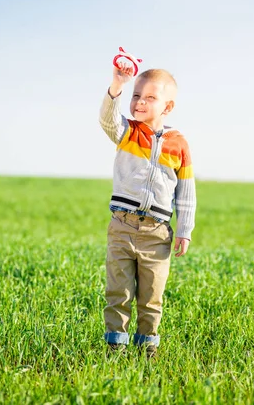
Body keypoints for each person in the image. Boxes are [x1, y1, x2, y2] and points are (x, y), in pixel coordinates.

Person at [99, 60, 196, 357]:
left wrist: (184, 230)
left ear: (167, 107)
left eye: (150, 98)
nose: (139, 102)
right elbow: (107, 121)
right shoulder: (128, 132)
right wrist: (117, 88)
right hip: (122, 227)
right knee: (119, 292)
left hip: (157, 233)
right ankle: (115, 347)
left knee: (151, 296)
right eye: (136, 95)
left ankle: (147, 349)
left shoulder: (178, 144)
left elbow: (186, 191)